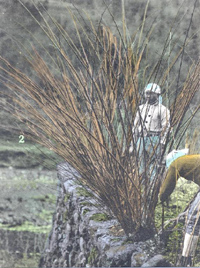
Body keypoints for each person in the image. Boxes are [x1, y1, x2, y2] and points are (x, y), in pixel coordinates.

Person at [159, 154, 200, 267]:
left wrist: (162, 199)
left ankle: (186, 260)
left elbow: (166, 189)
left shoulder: (175, 164)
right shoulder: (190, 160)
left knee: (193, 219)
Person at [130, 83, 170, 180]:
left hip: (155, 139)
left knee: (154, 166)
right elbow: (135, 126)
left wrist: (162, 143)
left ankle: (153, 188)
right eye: (147, 93)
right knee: (140, 165)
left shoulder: (163, 110)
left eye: (151, 93)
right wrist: (132, 144)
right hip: (141, 139)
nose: (148, 96)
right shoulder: (141, 108)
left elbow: (167, 127)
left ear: (157, 94)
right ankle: (142, 187)